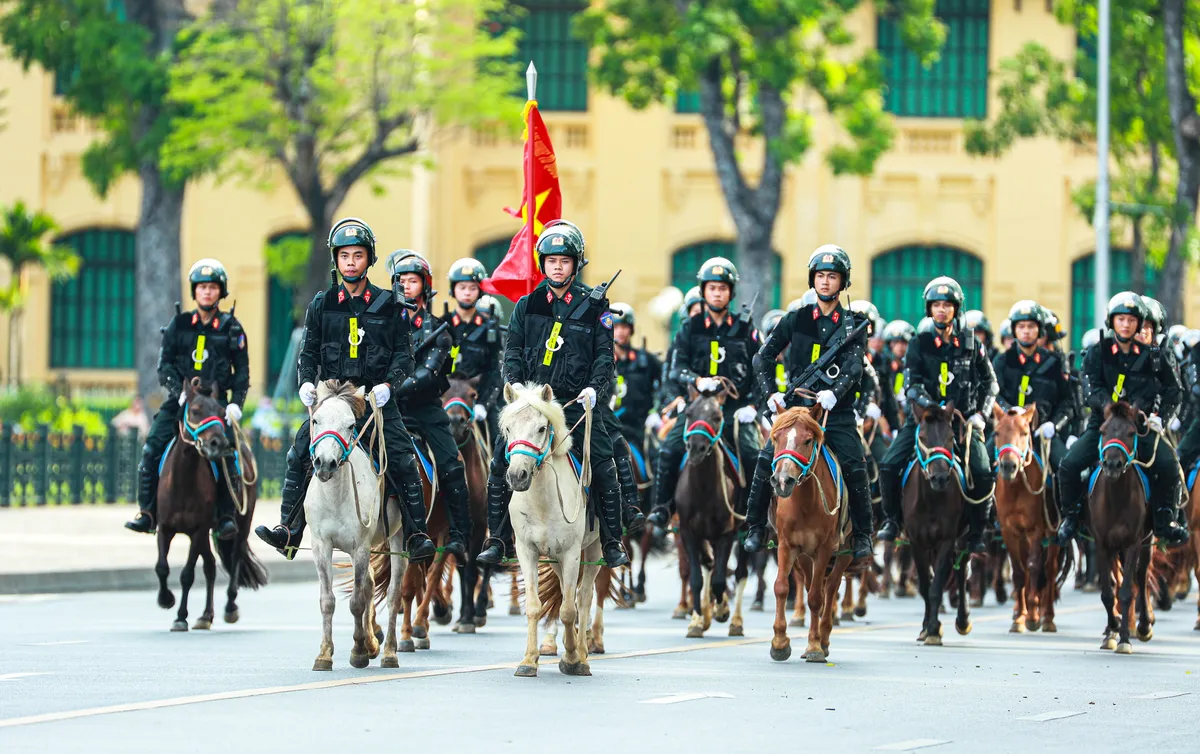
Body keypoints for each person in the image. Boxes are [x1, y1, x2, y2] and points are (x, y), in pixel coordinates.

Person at [254, 218, 437, 562]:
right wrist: (306, 383)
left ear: (369, 259)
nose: (351, 262)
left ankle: (415, 535)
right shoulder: (322, 304)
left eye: (358, 255)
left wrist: (388, 386)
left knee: (402, 458)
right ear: (335, 260)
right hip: (333, 400)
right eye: (344, 256)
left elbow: (404, 356)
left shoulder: (389, 304)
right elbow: (308, 353)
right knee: (298, 454)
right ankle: (289, 530)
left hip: (373, 402)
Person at [475, 220, 631, 569]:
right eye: (550, 261)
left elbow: (604, 356)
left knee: (604, 462)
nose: (557, 267)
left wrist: (594, 389)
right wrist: (515, 388)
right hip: (533, 404)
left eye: (564, 261)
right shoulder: (526, 306)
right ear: (542, 264)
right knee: (501, 460)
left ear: (576, 264)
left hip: (575, 404)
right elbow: (512, 350)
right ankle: (498, 538)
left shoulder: (594, 307)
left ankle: (611, 540)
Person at [742, 245, 873, 561]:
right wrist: (771, 393)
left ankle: (864, 535)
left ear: (843, 283)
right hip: (797, 412)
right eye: (820, 276)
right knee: (764, 460)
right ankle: (756, 526)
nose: (825, 282)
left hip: (835, 414)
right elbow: (763, 357)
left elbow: (856, 367)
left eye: (832, 277)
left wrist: (835, 394)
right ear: (812, 280)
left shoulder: (855, 323)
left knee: (856, 464)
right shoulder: (795, 319)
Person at [125, 259, 248, 539]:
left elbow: (241, 370)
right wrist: (178, 391)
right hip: (181, 402)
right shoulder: (178, 324)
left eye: (213, 287)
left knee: (228, 455)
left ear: (221, 292)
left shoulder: (232, 328)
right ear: (194, 291)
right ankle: (147, 512)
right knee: (152, 448)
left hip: (216, 406)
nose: (207, 292)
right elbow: (164, 364)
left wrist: (235, 404)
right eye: (202, 287)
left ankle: (226, 516)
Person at [1055, 292, 1188, 546]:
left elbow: (1174, 390)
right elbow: (1090, 390)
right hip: (1103, 427)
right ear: (1111, 322)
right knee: (1069, 465)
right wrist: (1108, 409)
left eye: (1132, 320)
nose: (1127, 325)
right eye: (1121, 319)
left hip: (1140, 428)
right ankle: (1071, 518)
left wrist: (1162, 417)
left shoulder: (1154, 355)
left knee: (1170, 465)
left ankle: (1164, 521)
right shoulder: (1097, 352)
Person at [876, 277, 997, 552]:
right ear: (929, 310)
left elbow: (991, 383)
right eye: (936, 305)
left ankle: (977, 532)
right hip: (925, 421)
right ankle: (893, 521)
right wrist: (932, 407)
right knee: (889, 465)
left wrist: (981, 413)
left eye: (946, 305)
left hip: (961, 423)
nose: (941, 310)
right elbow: (911, 385)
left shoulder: (972, 343)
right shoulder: (919, 343)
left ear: (956, 308)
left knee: (984, 471)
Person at [646, 257, 762, 529]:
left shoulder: (745, 328)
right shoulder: (689, 327)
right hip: (697, 408)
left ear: (731, 292)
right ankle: (663, 508)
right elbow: (676, 368)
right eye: (712, 288)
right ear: (704, 291)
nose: (717, 293)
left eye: (722, 288)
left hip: (733, 409)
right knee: (669, 448)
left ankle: (754, 519)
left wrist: (754, 406)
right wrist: (696, 380)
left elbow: (760, 370)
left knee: (753, 454)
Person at [387, 250, 473, 558]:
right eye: (402, 281)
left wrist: (392, 388)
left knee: (452, 466)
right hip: (389, 409)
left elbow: (427, 374)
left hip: (425, 409)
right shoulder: (385, 325)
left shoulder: (438, 329)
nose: (407, 286)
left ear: (425, 285)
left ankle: (461, 535)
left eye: (413, 280)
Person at [991, 300, 1072, 486]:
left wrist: (1055, 425)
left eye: (1031, 326)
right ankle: (986, 514)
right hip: (1007, 431)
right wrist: (1010, 414)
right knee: (981, 466)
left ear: (1040, 330)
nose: (1026, 331)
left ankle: (1069, 514)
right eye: (1021, 326)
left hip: (1044, 432)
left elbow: (1067, 402)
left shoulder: (1054, 362)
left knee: (1069, 468)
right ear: (1014, 330)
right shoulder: (1001, 361)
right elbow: (994, 394)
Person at [444, 257, 504, 444]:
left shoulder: (489, 329)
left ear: (480, 291)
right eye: (462, 287)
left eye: (472, 288)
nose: (467, 293)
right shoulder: (442, 325)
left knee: (500, 441)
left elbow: (494, 371)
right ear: (453, 290)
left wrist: (483, 405)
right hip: (446, 398)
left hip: (478, 399)